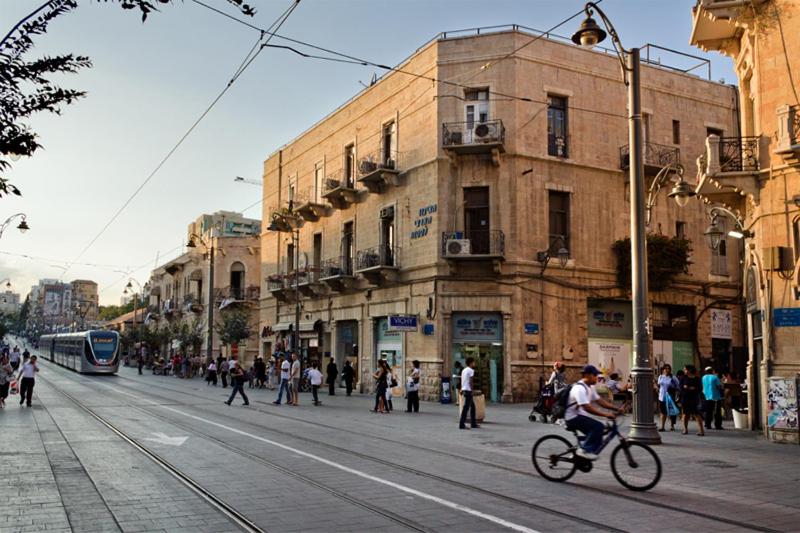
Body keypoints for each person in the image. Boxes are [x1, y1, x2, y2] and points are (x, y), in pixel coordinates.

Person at [564, 364, 624, 460]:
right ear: (587, 375)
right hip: (572, 418)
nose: (597, 377)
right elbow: (587, 407)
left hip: (580, 416)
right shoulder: (579, 388)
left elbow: (600, 401)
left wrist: (616, 408)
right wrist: (606, 414)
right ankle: (583, 450)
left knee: (598, 433)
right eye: (595, 375)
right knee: (598, 426)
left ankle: (580, 455)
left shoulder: (590, 387)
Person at [680, 365, 705, 436]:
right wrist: (686, 388)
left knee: (696, 414)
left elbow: (700, 388)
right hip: (685, 398)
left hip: (694, 398)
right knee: (685, 414)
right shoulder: (683, 378)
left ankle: (701, 430)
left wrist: (693, 388)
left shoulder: (697, 378)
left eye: (685, 369)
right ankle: (685, 429)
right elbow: (680, 387)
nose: (684, 371)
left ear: (690, 370)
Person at [657, 364, 680, 432]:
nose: (667, 370)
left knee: (671, 411)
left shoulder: (673, 377)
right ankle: (662, 426)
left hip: (670, 396)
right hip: (662, 396)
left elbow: (678, 386)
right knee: (663, 412)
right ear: (663, 369)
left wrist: (673, 388)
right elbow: (659, 385)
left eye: (668, 368)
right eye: (666, 368)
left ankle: (672, 425)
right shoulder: (661, 376)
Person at [702, 366, 724, 430]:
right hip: (716, 396)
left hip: (706, 396)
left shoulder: (703, 377)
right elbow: (719, 386)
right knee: (717, 411)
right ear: (712, 371)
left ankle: (707, 424)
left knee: (708, 411)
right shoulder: (715, 377)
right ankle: (718, 425)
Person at [459, 357, 478, 429]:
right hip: (468, 390)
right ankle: (461, 424)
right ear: (471, 363)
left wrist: (461, 389)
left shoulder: (464, 370)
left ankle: (473, 423)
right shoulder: (471, 370)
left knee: (472, 407)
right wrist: (472, 390)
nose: (474, 363)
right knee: (466, 408)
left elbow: (462, 380)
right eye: (473, 362)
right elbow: (471, 381)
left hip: (464, 389)